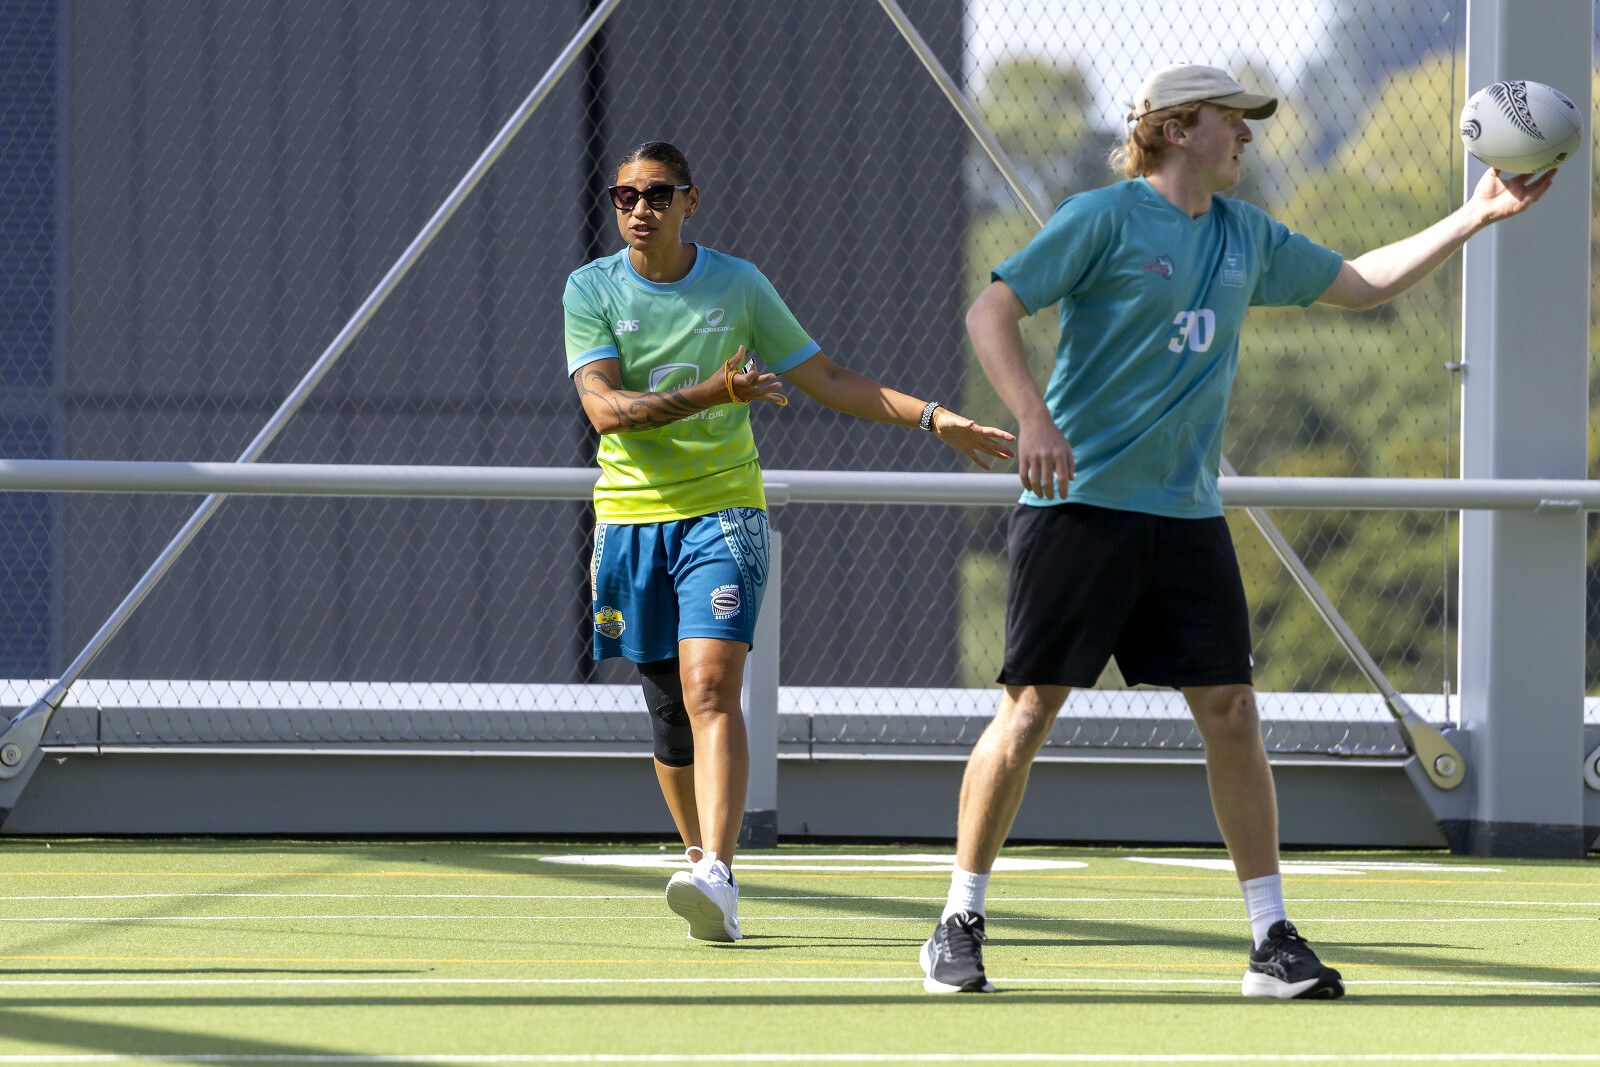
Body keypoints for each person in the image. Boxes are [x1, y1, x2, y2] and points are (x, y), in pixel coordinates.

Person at [919, 64, 1554, 997]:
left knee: (1234, 711)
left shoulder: (1244, 234)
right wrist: (1033, 419)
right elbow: (992, 311)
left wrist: (1476, 214)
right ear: (1178, 128)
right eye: (1234, 119)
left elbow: (1360, 283)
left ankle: (1270, 942)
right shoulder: (1101, 219)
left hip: (1186, 514)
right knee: (1027, 712)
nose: (1250, 134)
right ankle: (957, 920)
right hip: (1079, 508)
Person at [565, 140, 1015, 944]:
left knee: (711, 688)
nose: (640, 210)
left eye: (658, 194)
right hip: (629, 520)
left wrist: (935, 417)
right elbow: (604, 409)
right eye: (624, 196)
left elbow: (830, 379)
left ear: (691, 200)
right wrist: (714, 391)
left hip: (723, 513)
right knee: (670, 714)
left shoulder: (738, 284)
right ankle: (704, 866)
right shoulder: (590, 288)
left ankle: (718, 872)